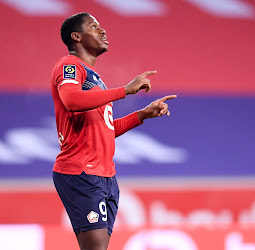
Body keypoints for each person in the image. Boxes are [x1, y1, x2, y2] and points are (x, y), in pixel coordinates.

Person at [51, 12, 176, 250]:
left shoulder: (95, 79)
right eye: (94, 26)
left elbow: (105, 129)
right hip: (81, 172)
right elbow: (71, 100)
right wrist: (126, 90)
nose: (103, 31)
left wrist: (141, 115)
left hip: (105, 176)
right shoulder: (68, 65)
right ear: (76, 36)